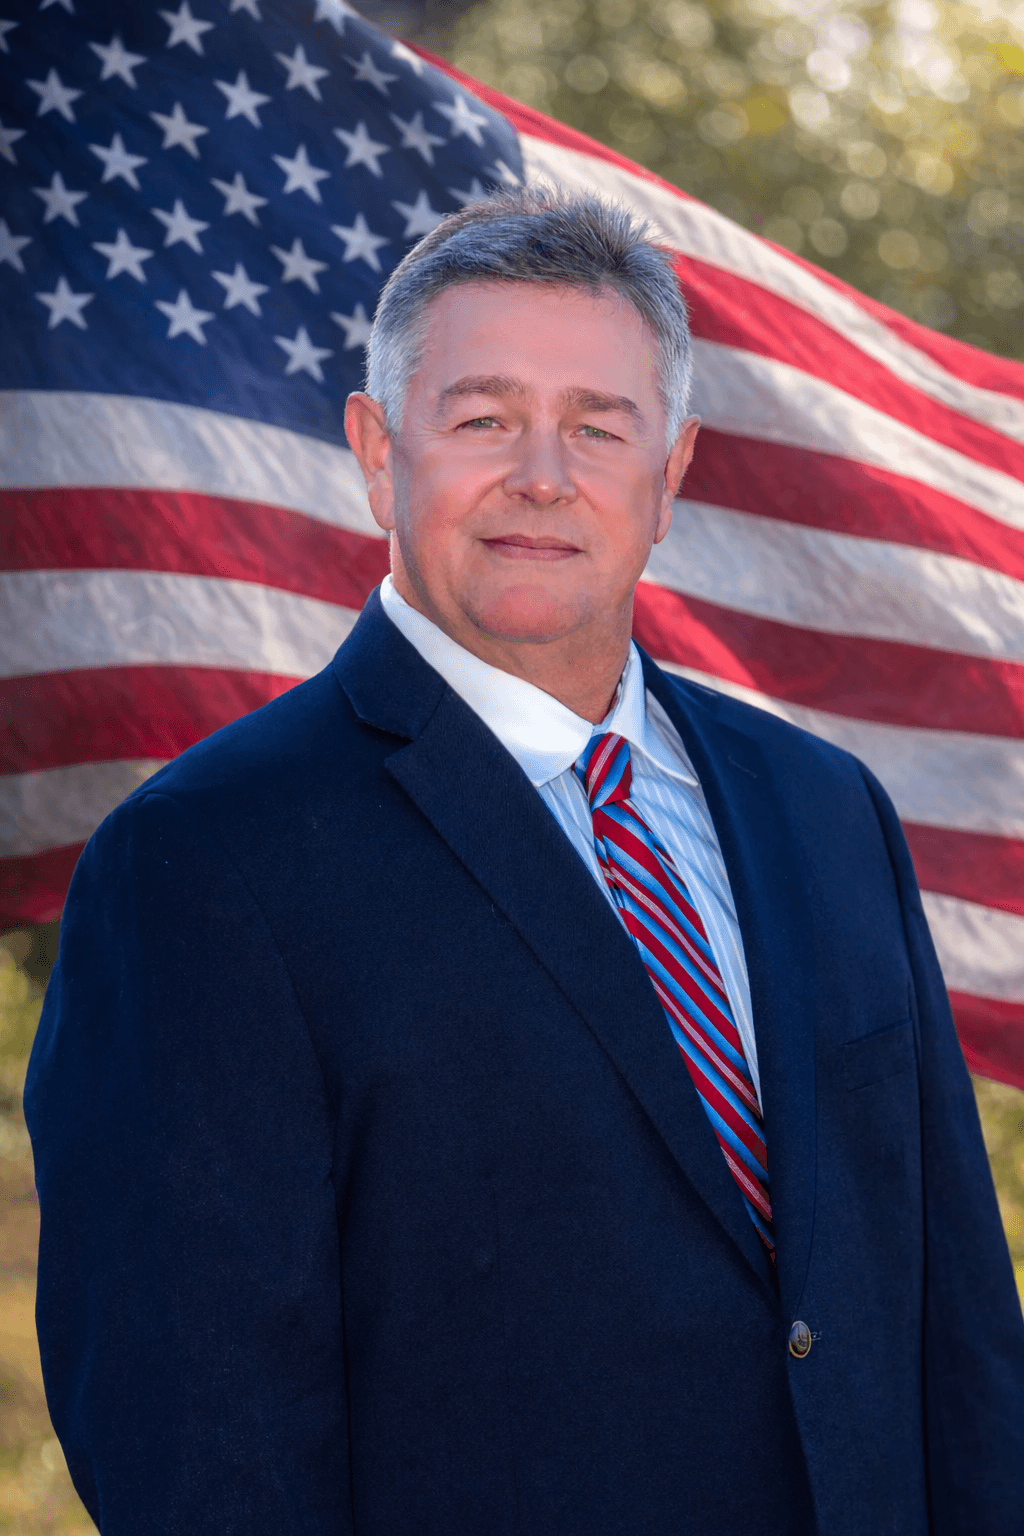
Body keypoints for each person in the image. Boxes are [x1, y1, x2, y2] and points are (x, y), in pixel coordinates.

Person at [26, 188, 1024, 1536]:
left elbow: (958, 1334)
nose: (544, 477)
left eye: (598, 428)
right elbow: (201, 1449)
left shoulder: (826, 810)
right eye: (484, 419)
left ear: (668, 477)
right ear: (381, 455)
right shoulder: (204, 862)